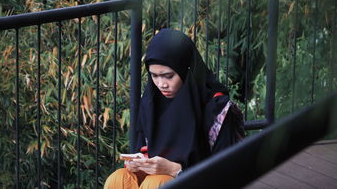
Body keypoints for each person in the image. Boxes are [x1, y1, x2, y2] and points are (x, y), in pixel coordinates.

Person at [104, 28, 244, 189]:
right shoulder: (151, 102)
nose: (161, 84)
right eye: (154, 76)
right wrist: (138, 164)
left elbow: (227, 174)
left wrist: (175, 171)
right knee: (119, 178)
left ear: (187, 70)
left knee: (158, 183)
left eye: (168, 76)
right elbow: (141, 149)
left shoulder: (216, 108)